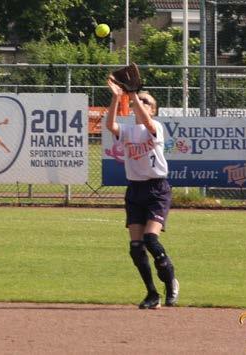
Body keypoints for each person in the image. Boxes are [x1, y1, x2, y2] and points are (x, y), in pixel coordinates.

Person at [106, 78, 179, 309]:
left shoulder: (155, 127)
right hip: (135, 189)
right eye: (140, 100)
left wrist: (134, 94)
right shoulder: (128, 130)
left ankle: (171, 283)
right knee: (136, 247)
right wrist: (117, 97)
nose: (142, 102)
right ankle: (152, 294)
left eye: (147, 101)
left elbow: (145, 120)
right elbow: (110, 125)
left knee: (151, 239)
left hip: (157, 189)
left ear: (153, 109)